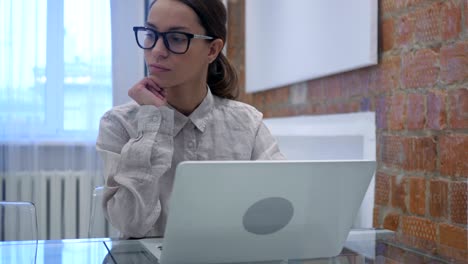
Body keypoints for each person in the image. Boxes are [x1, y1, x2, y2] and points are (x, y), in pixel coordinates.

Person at [96, 0, 284, 239]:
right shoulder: (118, 124)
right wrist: (154, 121)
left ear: (212, 50)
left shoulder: (247, 123)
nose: (157, 51)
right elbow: (130, 223)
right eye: (151, 34)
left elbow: (281, 200)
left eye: (176, 38)